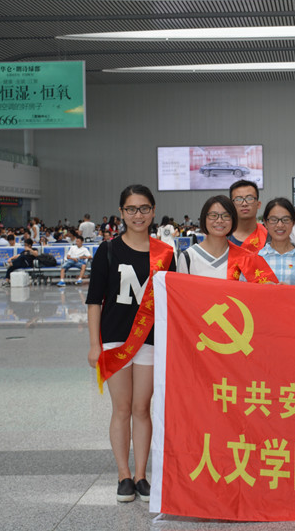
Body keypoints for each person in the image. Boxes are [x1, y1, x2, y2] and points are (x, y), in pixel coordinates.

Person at [86, 184, 177, 503]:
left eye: (144, 208)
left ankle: (141, 475)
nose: (138, 215)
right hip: (115, 340)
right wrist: (94, 345)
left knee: (142, 408)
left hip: (151, 340)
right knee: (122, 408)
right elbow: (94, 301)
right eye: (131, 209)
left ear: (153, 211)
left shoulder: (165, 254)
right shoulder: (108, 250)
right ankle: (123, 475)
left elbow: (173, 301)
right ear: (121, 213)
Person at [177, 195, 277, 284]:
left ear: (233, 220)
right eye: (213, 215)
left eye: (226, 216)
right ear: (204, 218)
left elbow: (264, 291)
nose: (219, 220)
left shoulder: (246, 258)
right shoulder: (188, 257)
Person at [258, 197, 295, 285]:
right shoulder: (254, 260)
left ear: (293, 222)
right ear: (265, 223)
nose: (280, 225)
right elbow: (244, 292)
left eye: (285, 220)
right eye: (273, 220)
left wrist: (291, 291)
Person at [228, 179, 268, 253]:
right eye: (238, 199)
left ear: (258, 204)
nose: (244, 204)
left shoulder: (269, 236)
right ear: (231, 205)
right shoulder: (223, 237)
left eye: (249, 198)